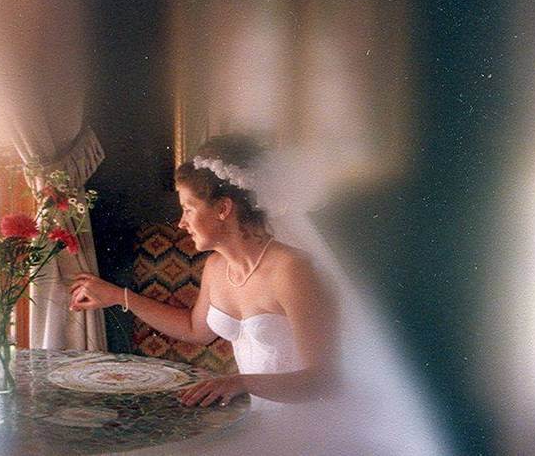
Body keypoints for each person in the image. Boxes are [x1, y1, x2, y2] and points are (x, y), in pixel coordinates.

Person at [69, 135, 447, 455]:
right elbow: (195, 329)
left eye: (187, 208)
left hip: (314, 430)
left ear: (224, 209)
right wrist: (118, 295)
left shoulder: (292, 270)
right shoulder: (217, 267)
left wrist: (241, 382)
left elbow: (324, 379)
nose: (180, 222)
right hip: (256, 418)